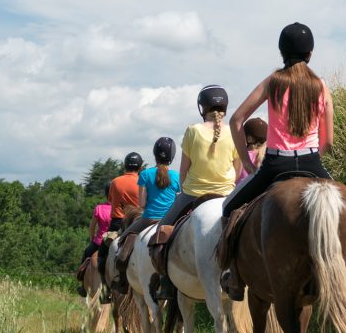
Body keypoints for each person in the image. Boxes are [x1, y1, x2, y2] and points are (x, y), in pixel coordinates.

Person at [220, 22, 334, 301]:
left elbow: (236, 120)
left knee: (229, 209)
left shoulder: (273, 82)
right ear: (311, 53)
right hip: (311, 163)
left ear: (282, 52)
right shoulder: (320, 86)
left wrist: (247, 166)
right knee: (345, 209)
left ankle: (234, 275)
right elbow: (328, 141)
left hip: (275, 167)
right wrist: (311, 158)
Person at [151, 85, 241, 300]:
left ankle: (164, 283)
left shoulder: (193, 131)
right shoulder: (234, 132)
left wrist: (184, 191)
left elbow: (183, 170)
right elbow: (237, 169)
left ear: (203, 107)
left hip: (193, 193)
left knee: (161, 234)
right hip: (227, 194)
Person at [112, 137, 180, 293]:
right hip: (169, 220)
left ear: (155, 154)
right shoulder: (177, 176)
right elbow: (177, 200)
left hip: (148, 218)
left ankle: (122, 280)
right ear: (172, 156)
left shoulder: (145, 175)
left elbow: (141, 204)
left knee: (122, 241)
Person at [97, 152, 143, 302]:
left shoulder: (115, 182)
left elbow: (111, 200)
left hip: (118, 223)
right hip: (139, 222)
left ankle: (106, 290)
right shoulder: (142, 181)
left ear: (125, 166)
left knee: (102, 253)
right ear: (140, 167)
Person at [76, 182, 112, 297]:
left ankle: (82, 283)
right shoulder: (121, 209)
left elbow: (92, 227)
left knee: (87, 253)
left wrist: (93, 238)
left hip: (99, 241)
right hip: (114, 241)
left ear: (106, 194)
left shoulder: (99, 208)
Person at [235, 117, 268, 185]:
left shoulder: (241, 155)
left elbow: (234, 178)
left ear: (249, 139)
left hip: (241, 192)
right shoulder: (268, 156)